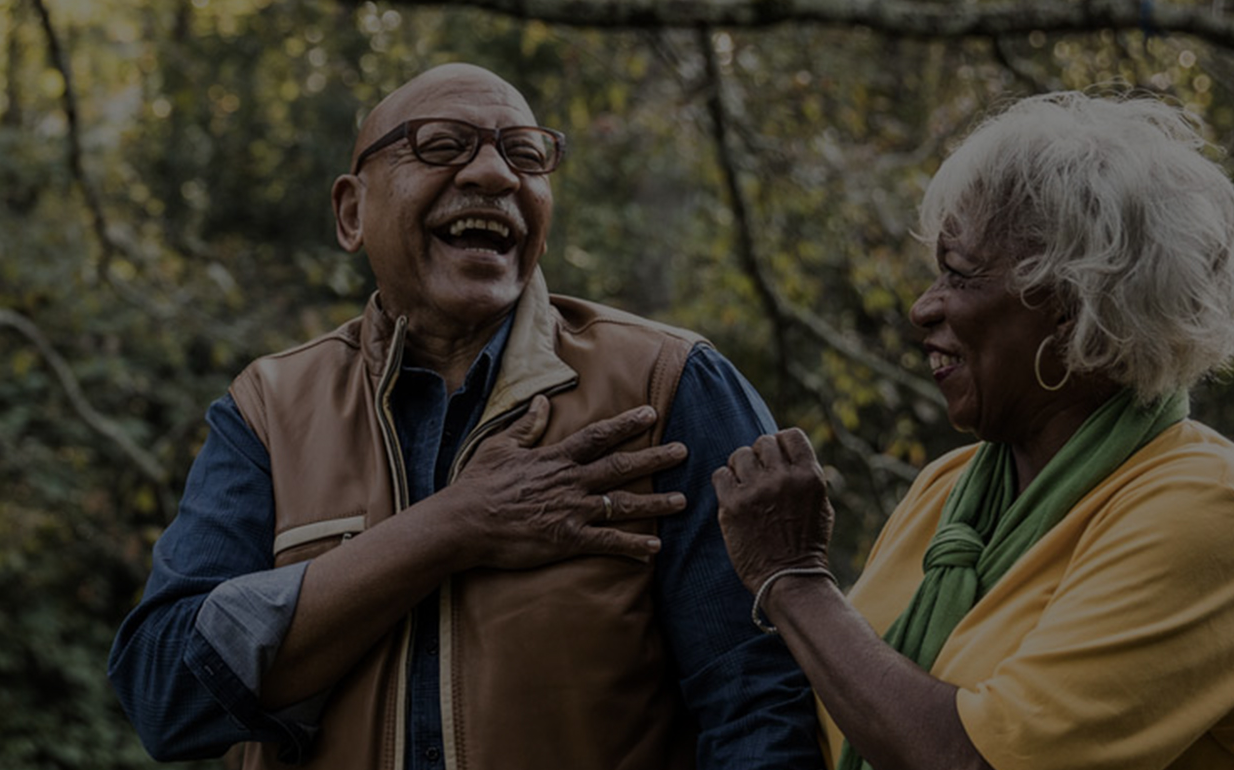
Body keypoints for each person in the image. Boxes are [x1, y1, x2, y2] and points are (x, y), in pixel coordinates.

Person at [107, 62, 822, 770]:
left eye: (525, 154)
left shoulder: (668, 386)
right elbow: (165, 694)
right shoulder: (268, 408)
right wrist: (457, 525)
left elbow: (757, 704)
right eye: (442, 145)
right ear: (352, 211)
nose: (494, 175)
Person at [713, 92, 1234, 770]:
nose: (923, 307)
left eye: (959, 276)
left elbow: (975, 761)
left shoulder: (1207, 510)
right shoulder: (949, 492)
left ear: (1078, 312)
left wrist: (793, 579)